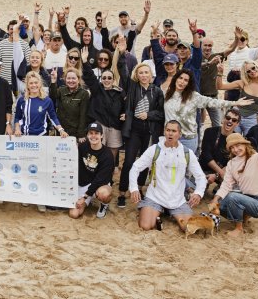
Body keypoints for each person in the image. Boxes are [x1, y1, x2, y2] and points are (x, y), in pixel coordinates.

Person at [129, 120, 206, 231]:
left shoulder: (187, 153)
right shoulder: (154, 149)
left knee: (189, 228)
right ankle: (156, 212)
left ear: (179, 134)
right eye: (168, 130)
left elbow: (200, 176)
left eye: (173, 131)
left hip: (177, 200)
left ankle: (166, 212)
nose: (170, 133)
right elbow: (135, 168)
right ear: (164, 132)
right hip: (155, 197)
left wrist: (198, 193)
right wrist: (134, 189)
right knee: (145, 226)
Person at [116, 41, 165, 208]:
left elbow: (160, 113)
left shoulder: (157, 91)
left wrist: (149, 115)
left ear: (151, 75)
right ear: (137, 75)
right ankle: (122, 192)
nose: (144, 75)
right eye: (141, 72)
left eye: (146, 72)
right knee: (129, 161)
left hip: (149, 132)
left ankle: (138, 188)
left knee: (145, 161)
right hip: (134, 130)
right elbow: (122, 71)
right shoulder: (132, 87)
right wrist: (122, 54)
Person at [164, 69, 251, 154]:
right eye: (180, 78)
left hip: (187, 138)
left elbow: (213, 102)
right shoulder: (167, 94)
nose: (182, 82)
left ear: (188, 83)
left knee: (186, 166)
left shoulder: (193, 96)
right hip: (170, 137)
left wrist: (235, 102)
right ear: (176, 78)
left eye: (186, 80)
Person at [210, 133, 258, 237]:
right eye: (232, 147)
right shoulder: (231, 163)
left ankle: (239, 228)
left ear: (244, 144)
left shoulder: (256, 157)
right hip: (246, 198)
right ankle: (244, 217)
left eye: (238, 145)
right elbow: (226, 185)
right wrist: (215, 200)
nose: (235, 150)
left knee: (232, 197)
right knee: (221, 205)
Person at [81, 48, 125, 160]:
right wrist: (85, 62)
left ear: (113, 79)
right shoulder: (97, 89)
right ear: (101, 79)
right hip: (100, 125)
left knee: (112, 155)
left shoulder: (119, 93)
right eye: (104, 78)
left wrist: (125, 114)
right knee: (97, 154)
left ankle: (108, 175)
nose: (106, 80)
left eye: (109, 78)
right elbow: (90, 77)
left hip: (115, 127)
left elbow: (125, 107)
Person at [69, 123, 114, 219]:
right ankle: (87, 202)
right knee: (74, 214)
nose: (93, 136)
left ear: (101, 135)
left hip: (99, 184)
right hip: (84, 183)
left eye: (96, 133)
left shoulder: (107, 155)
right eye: (91, 133)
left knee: (104, 194)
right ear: (87, 135)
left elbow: (99, 179)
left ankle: (103, 205)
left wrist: (84, 197)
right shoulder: (82, 147)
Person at [14, 71, 66, 138]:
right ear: (27, 85)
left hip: (41, 136)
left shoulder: (47, 101)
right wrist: (17, 129)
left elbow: (53, 117)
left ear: (40, 84)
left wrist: (61, 130)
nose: (34, 85)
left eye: (36, 83)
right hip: (24, 137)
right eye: (31, 83)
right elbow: (17, 117)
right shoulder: (22, 100)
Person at [200, 108, 241, 190]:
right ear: (223, 118)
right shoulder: (209, 131)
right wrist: (220, 172)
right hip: (205, 169)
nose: (230, 121)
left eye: (234, 120)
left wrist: (217, 175)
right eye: (228, 118)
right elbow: (206, 155)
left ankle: (218, 189)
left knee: (234, 191)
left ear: (237, 124)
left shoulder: (237, 139)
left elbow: (233, 162)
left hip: (224, 173)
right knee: (196, 192)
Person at [216, 60, 258, 135]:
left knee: (251, 142)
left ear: (257, 66)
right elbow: (220, 86)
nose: (252, 71)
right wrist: (220, 73)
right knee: (232, 141)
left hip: (252, 118)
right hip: (235, 116)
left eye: (253, 68)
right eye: (248, 71)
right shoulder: (243, 83)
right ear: (246, 74)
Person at [48, 67, 89, 139]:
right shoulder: (61, 90)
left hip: (75, 132)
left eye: (73, 78)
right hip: (61, 131)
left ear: (78, 80)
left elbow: (83, 115)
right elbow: (52, 97)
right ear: (65, 79)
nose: (71, 81)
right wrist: (53, 81)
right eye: (68, 78)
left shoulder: (84, 93)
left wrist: (81, 134)